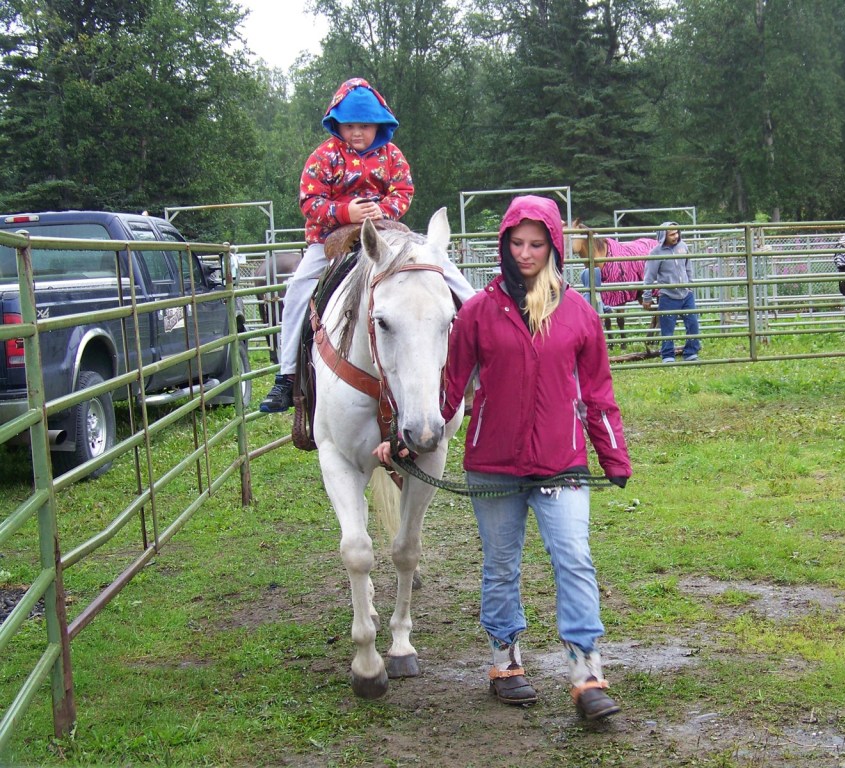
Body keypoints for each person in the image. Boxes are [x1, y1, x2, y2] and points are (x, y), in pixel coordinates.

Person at [375, 195, 632, 720]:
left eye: (536, 244)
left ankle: (587, 672)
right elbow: (448, 393)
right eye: (516, 243)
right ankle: (505, 661)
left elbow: (598, 393)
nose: (526, 253)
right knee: (500, 566)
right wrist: (407, 442)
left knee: (575, 561)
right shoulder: (475, 313)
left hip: (562, 464)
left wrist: (613, 456)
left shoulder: (580, 315)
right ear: (504, 245)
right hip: (493, 464)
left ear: (554, 245)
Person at [260, 77, 474, 412]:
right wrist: (345, 211)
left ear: (378, 125)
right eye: (348, 126)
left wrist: (382, 209)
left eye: (364, 125)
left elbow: (403, 191)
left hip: (387, 231)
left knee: (443, 268)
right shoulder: (324, 156)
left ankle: (477, 348)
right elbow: (310, 199)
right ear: (338, 125)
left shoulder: (392, 155)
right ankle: (287, 376)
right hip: (330, 238)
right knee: (298, 289)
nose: (356, 132)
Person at [642, 222, 700, 363]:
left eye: (677, 232)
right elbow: (649, 276)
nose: (676, 236)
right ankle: (667, 355)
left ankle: (691, 351)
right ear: (663, 236)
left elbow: (688, 267)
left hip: (686, 293)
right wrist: (647, 296)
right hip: (668, 295)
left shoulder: (683, 246)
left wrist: (690, 285)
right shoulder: (656, 253)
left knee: (693, 323)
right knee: (667, 328)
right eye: (672, 234)